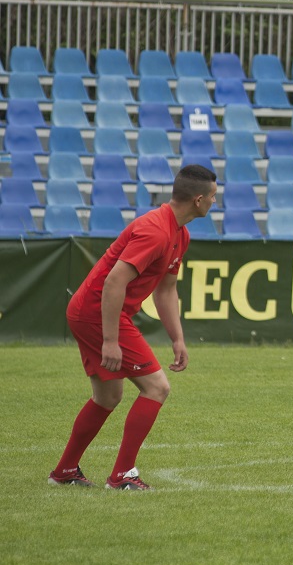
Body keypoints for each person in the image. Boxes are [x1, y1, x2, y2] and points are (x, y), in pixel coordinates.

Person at [48, 164, 217, 490]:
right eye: (212, 197)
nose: (214, 202)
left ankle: (65, 471)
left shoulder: (180, 234)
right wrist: (110, 340)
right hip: (97, 313)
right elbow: (114, 283)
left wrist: (177, 339)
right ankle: (122, 475)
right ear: (198, 200)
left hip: (94, 313)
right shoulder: (156, 230)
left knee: (108, 396)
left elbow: (166, 289)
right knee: (157, 387)